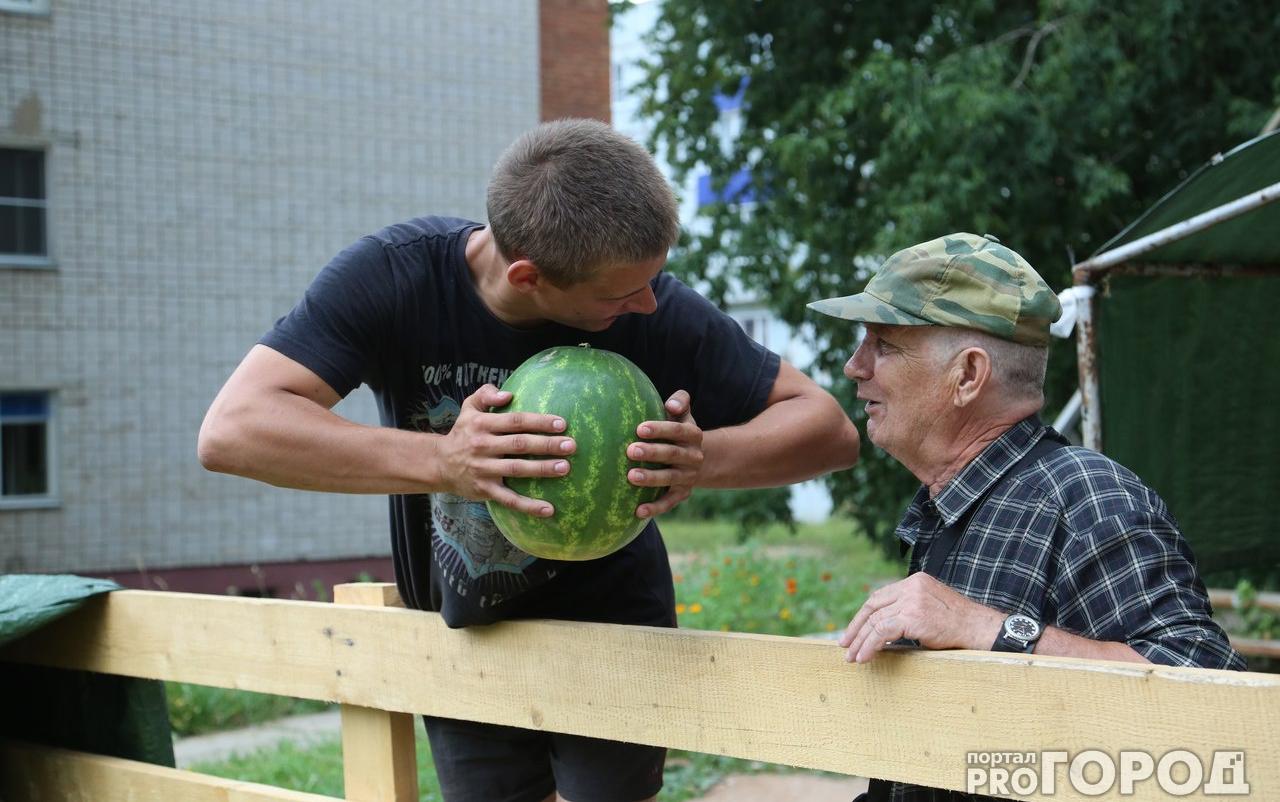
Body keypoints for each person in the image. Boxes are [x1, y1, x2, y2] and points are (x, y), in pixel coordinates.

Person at [198, 118, 861, 802]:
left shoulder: (649, 304)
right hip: (469, 636)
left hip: (616, 641)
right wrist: (447, 459)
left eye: (654, 281)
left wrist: (705, 459)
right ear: (528, 275)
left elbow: (829, 428)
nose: (648, 303)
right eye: (621, 295)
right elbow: (234, 429)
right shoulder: (395, 278)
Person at [807, 232, 1244, 802]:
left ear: (968, 375)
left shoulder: (1089, 497)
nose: (853, 366)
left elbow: (1217, 700)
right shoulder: (951, 505)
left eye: (884, 345)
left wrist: (986, 629)